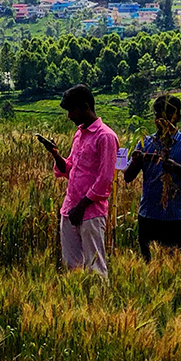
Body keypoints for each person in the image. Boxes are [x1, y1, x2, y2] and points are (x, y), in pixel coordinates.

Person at [37, 84, 118, 276]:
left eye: (71, 110)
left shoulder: (106, 137)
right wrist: (56, 155)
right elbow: (70, 169)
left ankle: (97, 304)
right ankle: (77, 304)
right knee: (71, 266)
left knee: (95, 267)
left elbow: (105, 179)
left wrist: (81, 207)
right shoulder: (79, 134)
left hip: (90, 212)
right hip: (69, 209)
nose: (69, 116)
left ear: (85, 107)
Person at [123, 94, 181, 261]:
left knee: (171, 265)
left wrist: (177, 168)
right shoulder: (146, 142)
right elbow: (127, 177)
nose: (161, 120)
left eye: (166, 115)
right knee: (147, 264)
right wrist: (135, 162)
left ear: (177, 117)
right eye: (157, 115)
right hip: (148, 215)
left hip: (176, 217)